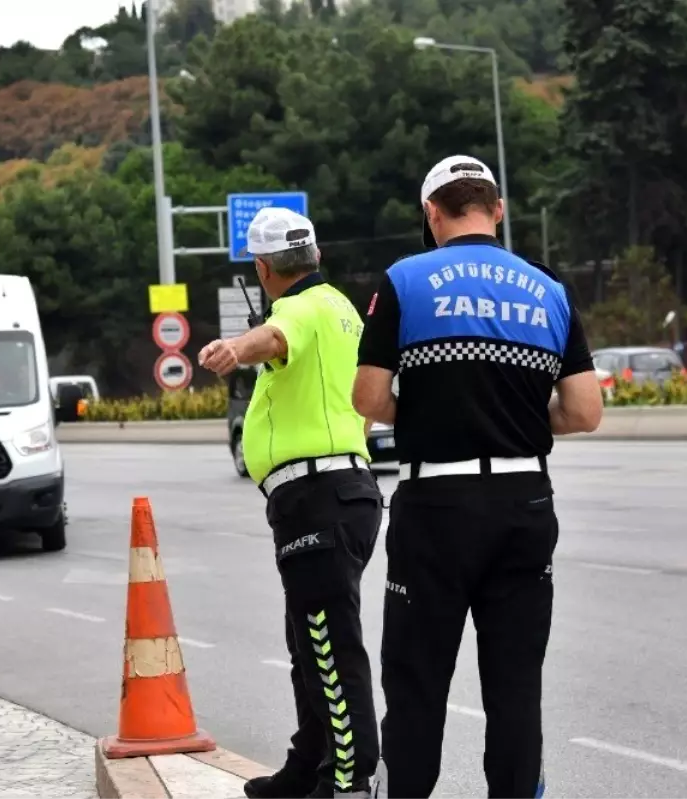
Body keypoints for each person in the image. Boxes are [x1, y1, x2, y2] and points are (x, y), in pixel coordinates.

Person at [353, 155, 604, 799]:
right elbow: (584, 411)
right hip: (524, 501)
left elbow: (368, 397)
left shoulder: (404, 282)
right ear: (497, 210)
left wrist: (428, 413)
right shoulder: (548, 289)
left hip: (434, 504)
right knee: (516, 689)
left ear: (432, 215)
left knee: (416, 686)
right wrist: (520, 417)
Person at [199, 206, 384, 799]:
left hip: (317, 495)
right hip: (341, 492)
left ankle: (352, 780)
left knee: (329, 644)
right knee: (310, 642)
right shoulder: (343, 308)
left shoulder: (299, 310)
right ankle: (308, 767)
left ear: (262, 267)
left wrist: (235, 346)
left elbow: (274, 338)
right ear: (316, 255)